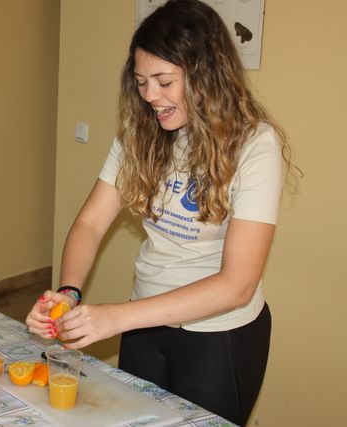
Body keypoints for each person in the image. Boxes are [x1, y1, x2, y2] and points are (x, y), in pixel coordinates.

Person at [25, 0, 297, 425]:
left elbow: (236, 285)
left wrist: (115, 317)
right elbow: (91, 223)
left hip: (219, 334)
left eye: (164, 81)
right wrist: (70, 293)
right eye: (141, 82)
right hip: (144, 323)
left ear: (207, 73)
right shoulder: (141, 134)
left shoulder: (254, 145)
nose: (150, 95)